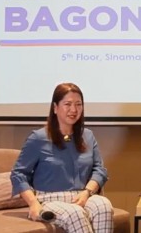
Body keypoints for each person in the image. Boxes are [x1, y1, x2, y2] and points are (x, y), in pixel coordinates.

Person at [10, 83, 113, 233]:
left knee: (104, 205)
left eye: (78, 104)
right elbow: (18, 174)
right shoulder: (38, 138)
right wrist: (33, 203)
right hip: (50, 199)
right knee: (75, 214)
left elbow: (99, 170)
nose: (74, 110)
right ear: (55, 107)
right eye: (68, 104)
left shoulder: (88, 136)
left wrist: (87, 192)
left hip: (84, 195)